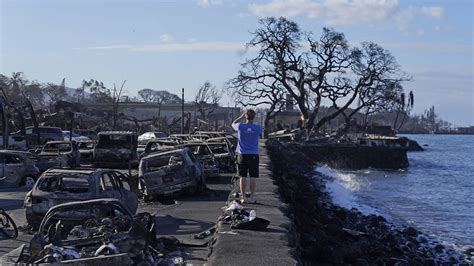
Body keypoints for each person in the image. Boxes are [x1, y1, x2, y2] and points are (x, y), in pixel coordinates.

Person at [231, 109, 262, 204]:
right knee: (253, 176)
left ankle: (243, 197)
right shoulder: (258, 127)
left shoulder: (240, 126)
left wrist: (240, 116)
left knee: (242, 176)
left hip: (242, 154)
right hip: (253, 154)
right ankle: (252, 196)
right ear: (254, 117)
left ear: (245, 116)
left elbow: (233, 124)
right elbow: (260, 135)